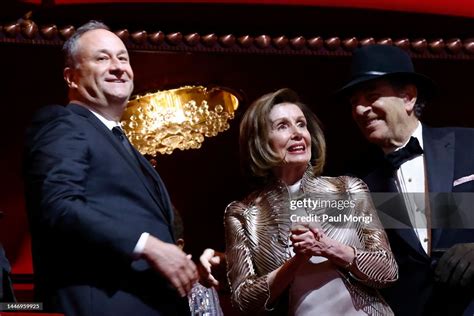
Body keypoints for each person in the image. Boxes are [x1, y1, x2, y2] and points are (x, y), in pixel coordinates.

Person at [22, 20, 197, 315]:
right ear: (71, 77)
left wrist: (184, 264)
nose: (117, 67)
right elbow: (57, 205)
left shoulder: (120, 141)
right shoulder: (63, 124)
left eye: (123, 58)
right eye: (102, 58)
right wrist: (147, 246)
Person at [224, 88, 398, 315]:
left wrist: (327, 247)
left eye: (301, 124)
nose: (297, 133)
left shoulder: (348, 189)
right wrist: (298, 260)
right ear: (260, 141)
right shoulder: (243, 214)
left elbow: (387, 270)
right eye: (282, 126)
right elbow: (244, 301)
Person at [338, 44, 474, 315]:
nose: (360, 110)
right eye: (354, 103)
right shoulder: (354, 182)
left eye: (371, 96)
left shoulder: (469, 144)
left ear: (409, 97)